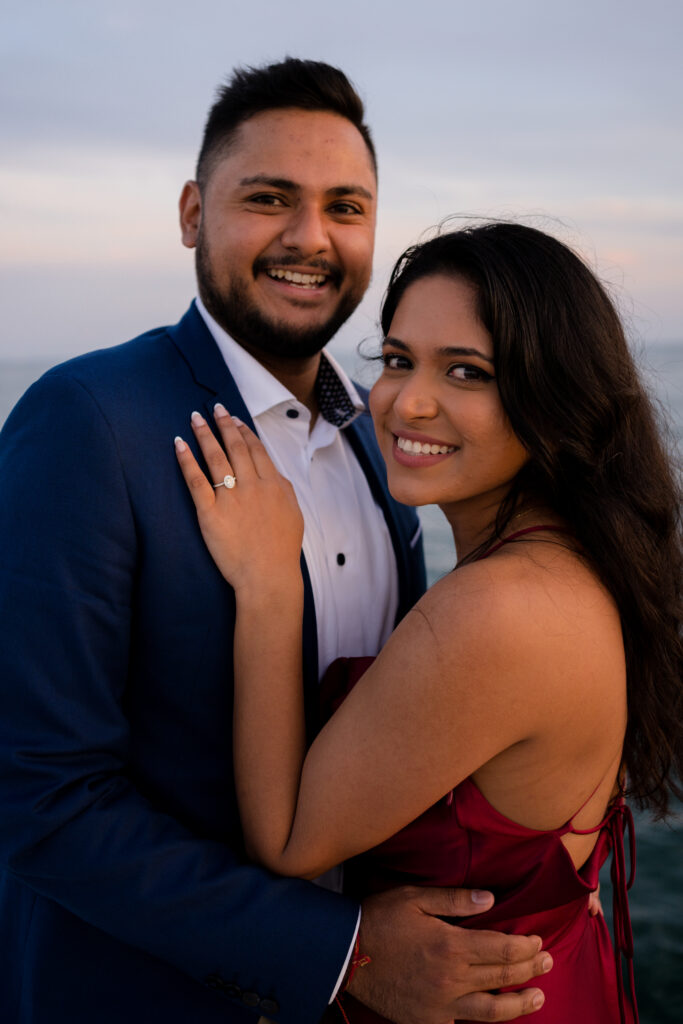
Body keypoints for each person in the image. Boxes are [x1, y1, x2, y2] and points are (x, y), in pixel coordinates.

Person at [0, 62, 550, 1024]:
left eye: (346, 206)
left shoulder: (387, 447)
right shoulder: (88, 422)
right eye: (267, 199)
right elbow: (41, 799)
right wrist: (342, 954)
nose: (310, 238)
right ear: (190, 213)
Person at [175, 222, 683, 1024]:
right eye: (398, 359)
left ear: (552, 395)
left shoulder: (500, 609)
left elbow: (288, 840)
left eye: (466, 372)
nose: (406, 400)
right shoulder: (582, 562)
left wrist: (271, 583)